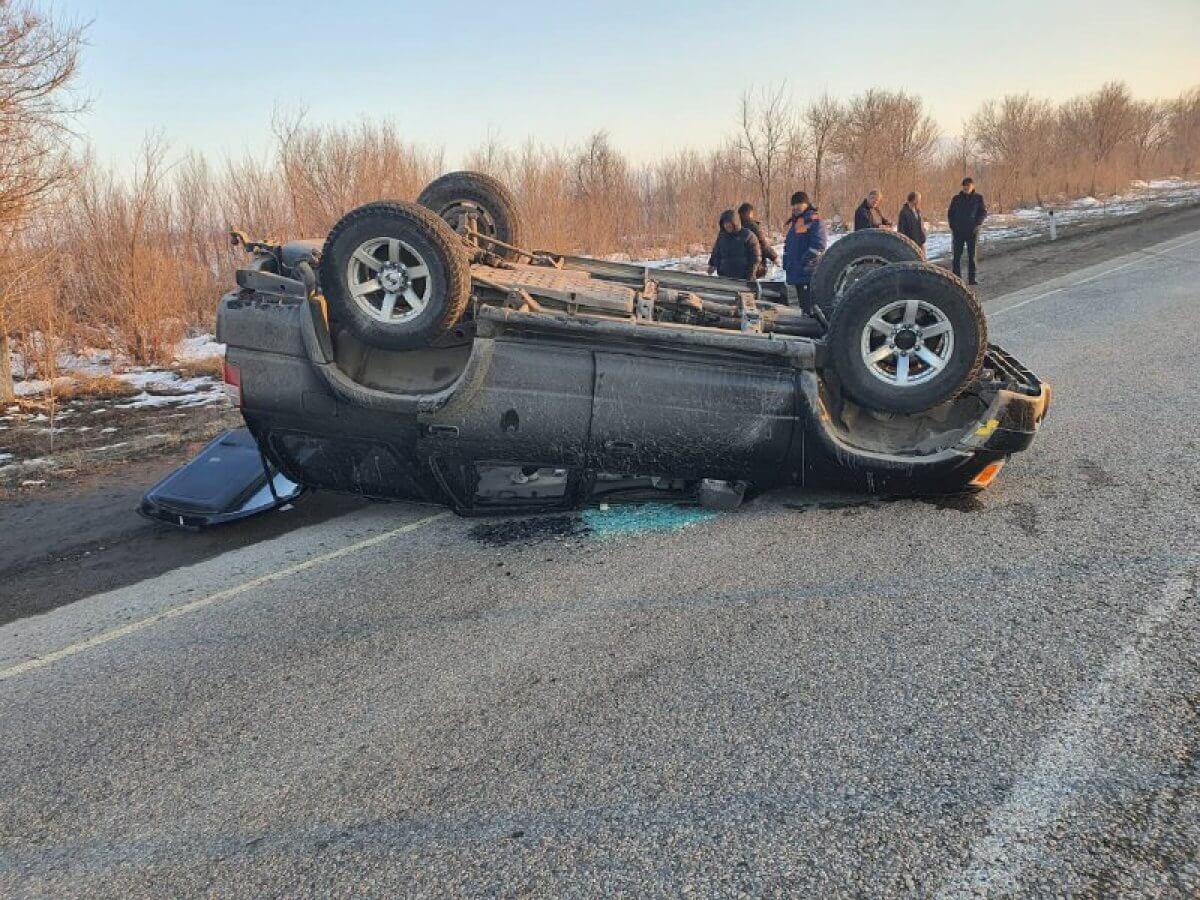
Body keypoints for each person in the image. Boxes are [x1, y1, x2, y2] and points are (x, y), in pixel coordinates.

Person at [782, 191, 828, 314]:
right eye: (793, 204)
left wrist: (804, 260)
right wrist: (786, 263)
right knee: (801, 308)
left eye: (799, 203)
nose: (795, 207)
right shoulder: (795, 222)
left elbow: (819, 245)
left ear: (806, 204)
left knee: (811, 309)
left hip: (808, 273)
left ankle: (814, 331)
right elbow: (789, 246)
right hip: (796, 272)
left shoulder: (814, 221)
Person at [948, 176, 987, 285]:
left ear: (972, 186)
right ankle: (956, 279)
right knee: (956, 256)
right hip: (958, 232)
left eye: (968, 185)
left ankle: (972, 279)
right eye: (964, 185)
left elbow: (983, 212)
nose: (966, 187)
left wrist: (977, 224)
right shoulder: (956, 199)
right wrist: (953, 227)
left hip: (972, 232)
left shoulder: (978, 198)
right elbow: (950, 214)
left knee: (972, 256)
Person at [707, 209, 762, 280]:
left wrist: (751, 274)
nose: (727, 225)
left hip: (743, 277)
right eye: (725, 223)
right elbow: (716, 252)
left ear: (735, 222)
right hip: (724, 277)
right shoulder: (722, 236)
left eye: (729, 223)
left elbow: (755, 258)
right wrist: (712, 264)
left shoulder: (748, 235)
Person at [737, 201, 779, 277]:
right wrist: (774, 256)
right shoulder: (753, 226)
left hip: (738, 267)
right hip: (753, 266)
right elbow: (763, 244)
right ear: (750, 213)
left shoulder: (735, 227)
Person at [897, 191, 926, 256]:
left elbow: (920, 226)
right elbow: (901, 230)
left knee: (923, 262)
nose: (920, 201)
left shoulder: (918, 211)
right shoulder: (904, 212)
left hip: (920, 242)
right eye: (919, 199)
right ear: (913, 199)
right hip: (911, 244)